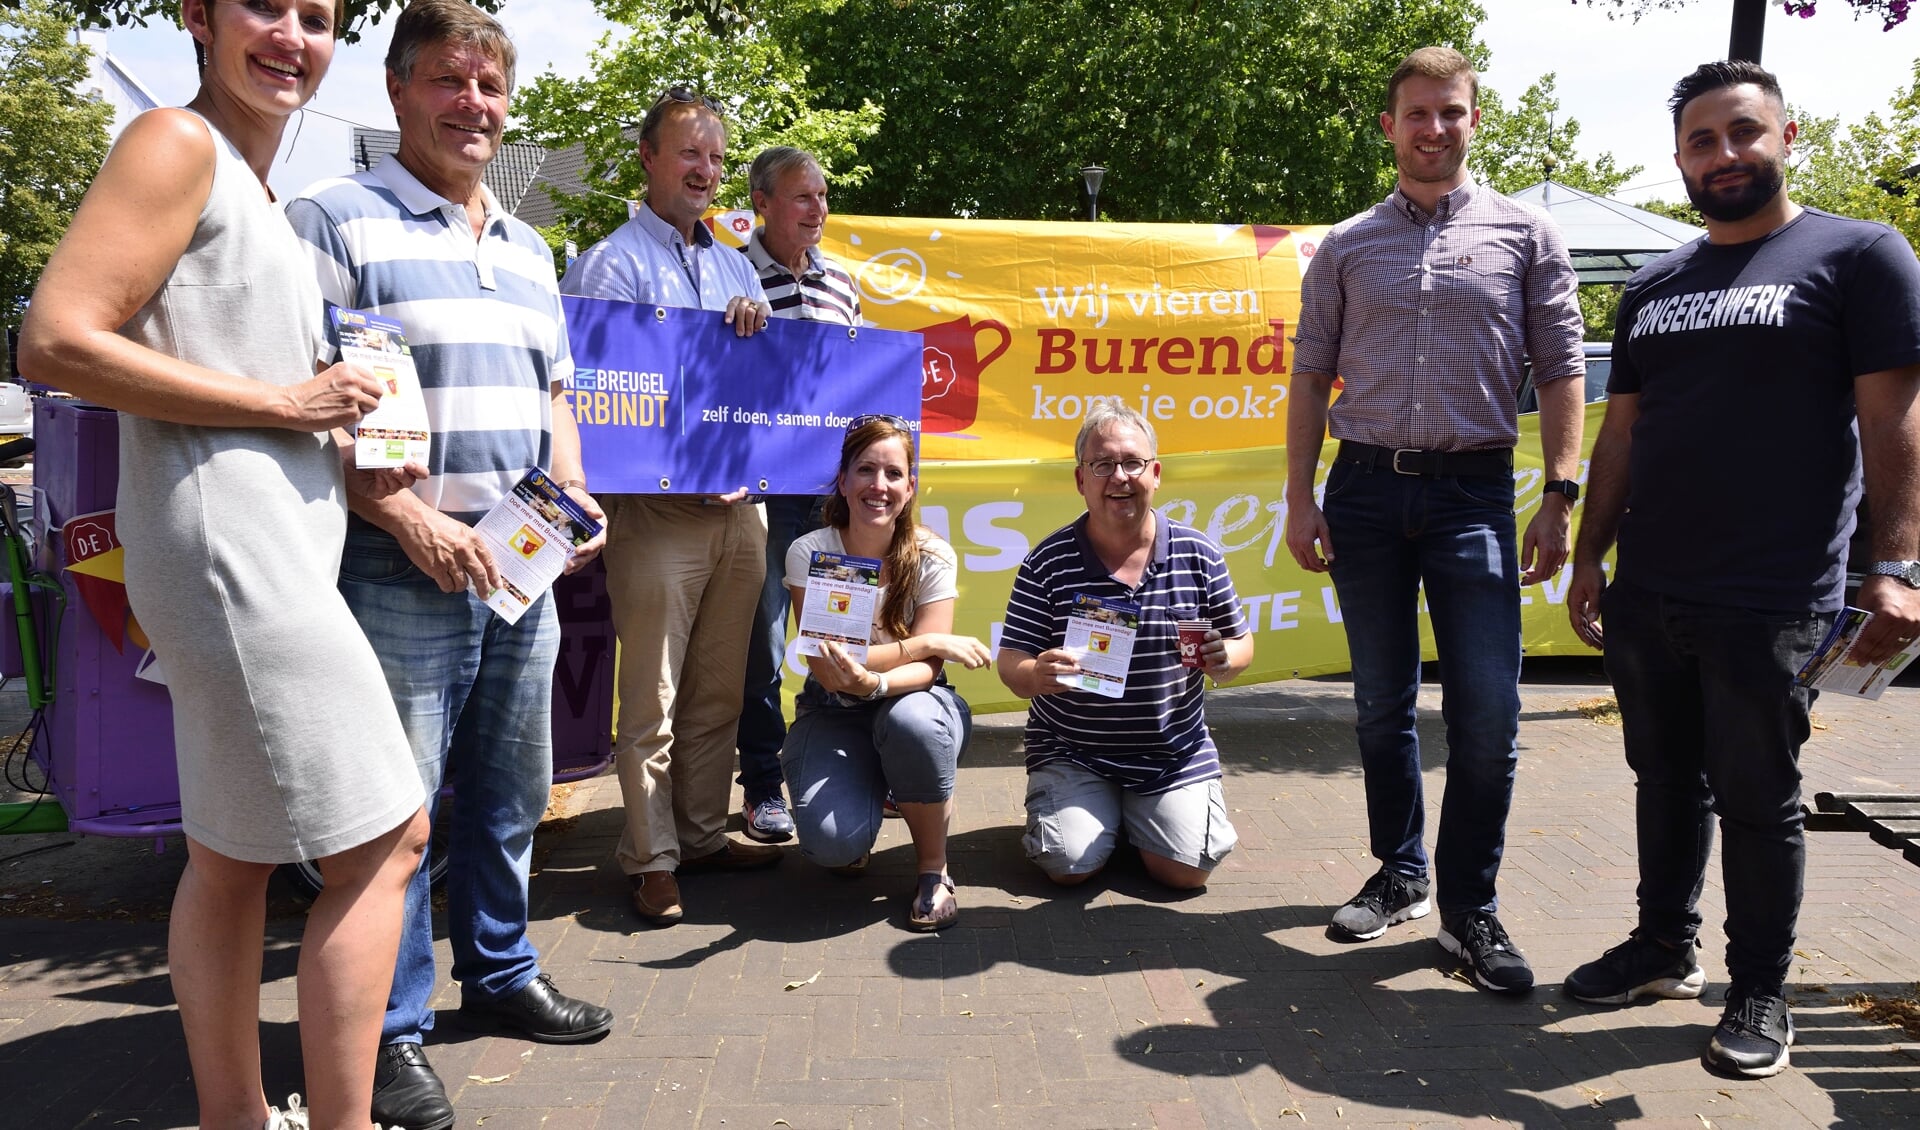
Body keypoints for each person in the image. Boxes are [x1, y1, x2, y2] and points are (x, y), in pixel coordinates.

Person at [17, 1, 430, 1126]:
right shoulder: (177, 142)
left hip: (242, 549)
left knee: (232, 856)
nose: (293, 35)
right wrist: (281, 400)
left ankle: (236, 1118)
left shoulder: (257, 197)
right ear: (197, 15)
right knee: (387, 842)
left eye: (319, 16)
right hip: (234, 557)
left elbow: (234, 383)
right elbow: (54, 337)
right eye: (266, 5)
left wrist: (329, 423)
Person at [286, 2, 612, 1126]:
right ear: (397, 91)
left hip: (522, 568)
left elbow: (556, 392)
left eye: (489, 87)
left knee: (515, 792)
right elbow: (306, 398)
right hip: (398, 566)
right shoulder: (332, 217)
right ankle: (388, 1032)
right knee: (398, 817)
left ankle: (505, 969)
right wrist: (404, 517)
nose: (472, 104)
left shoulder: (529, 246)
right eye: (448, 81)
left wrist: (574, 496)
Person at [1562, 60, 1920, 1078]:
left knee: (1758, 796)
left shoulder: (1859, 255)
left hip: (1773, 593)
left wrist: (1895, 565)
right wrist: (1591, 553)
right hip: (1652, 587)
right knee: (1662, 778)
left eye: (1742, 133)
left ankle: (1759, 984)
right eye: (1702, 141)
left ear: (1786, 137)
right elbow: (1621, 431)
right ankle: (1660, 945)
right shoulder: (1657, 283)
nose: (1724, 155)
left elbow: (1893, 417)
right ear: (1679, 158)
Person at [1283, 45, 1585, 994]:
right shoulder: (1346, 246)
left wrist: (1561, 491)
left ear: (1473, 120)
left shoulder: (1527, 236)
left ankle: (1470, 909)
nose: (1433, 129)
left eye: (1451, 112)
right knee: (1379, 706)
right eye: (1417, 113)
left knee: (1489, 716)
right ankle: (1403, 872)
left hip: (1474, 495)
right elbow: (1307, 372)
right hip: (1364, 493)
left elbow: (1565, 365)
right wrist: (1301, 493)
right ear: (1390, 126)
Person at [561, 88, 781, 927]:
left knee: (719, 689)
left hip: (739, 511)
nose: (705, 170)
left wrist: (755, 328)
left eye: (717, 158)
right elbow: (601, 401)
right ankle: (649, 857)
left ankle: (700, 835)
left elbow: (757, 390)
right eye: (689, 153)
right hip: (656, 516)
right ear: (649, 158)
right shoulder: (609, 264)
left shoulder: (733, 263)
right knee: (651, 695)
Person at [996, 403, 1253, 890]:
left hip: (1171, 753)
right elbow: (1010, 660)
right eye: (1103, 465)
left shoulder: (1199, 553)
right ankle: (1103, 817)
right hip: (1073, 751)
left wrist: (1227, 658)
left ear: (1155, 473)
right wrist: (1035, 675)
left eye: (1133, 462)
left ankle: (1131, 821)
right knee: (1068, 866)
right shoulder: (1046, 562)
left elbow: (1241, 643)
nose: (1120, 476)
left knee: (1187, 873)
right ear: (1080, 480)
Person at [779, 416, 988, 928]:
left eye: (894, 473)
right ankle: (869, 787)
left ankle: (933, 870)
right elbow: (829, 669)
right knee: (832, 849)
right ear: (844, 481)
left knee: (912, 723)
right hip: (833, 709)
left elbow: (926, 671)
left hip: (913, 701)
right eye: (866, 470)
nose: (880, 485)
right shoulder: (811, 551)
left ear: (910, 485)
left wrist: (874, 682)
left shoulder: (932, 553)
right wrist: (925, 642)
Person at [734, 145, 865, 845]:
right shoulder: (730, 272)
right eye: (801, 197)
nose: (818, 209)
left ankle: (837, 765)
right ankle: (760, 782)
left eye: (822, 196)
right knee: (762, 636)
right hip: (761, 492)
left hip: (829, 493)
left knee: (839, 628)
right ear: (762, 203)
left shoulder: (843, 281)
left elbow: (855, 379)